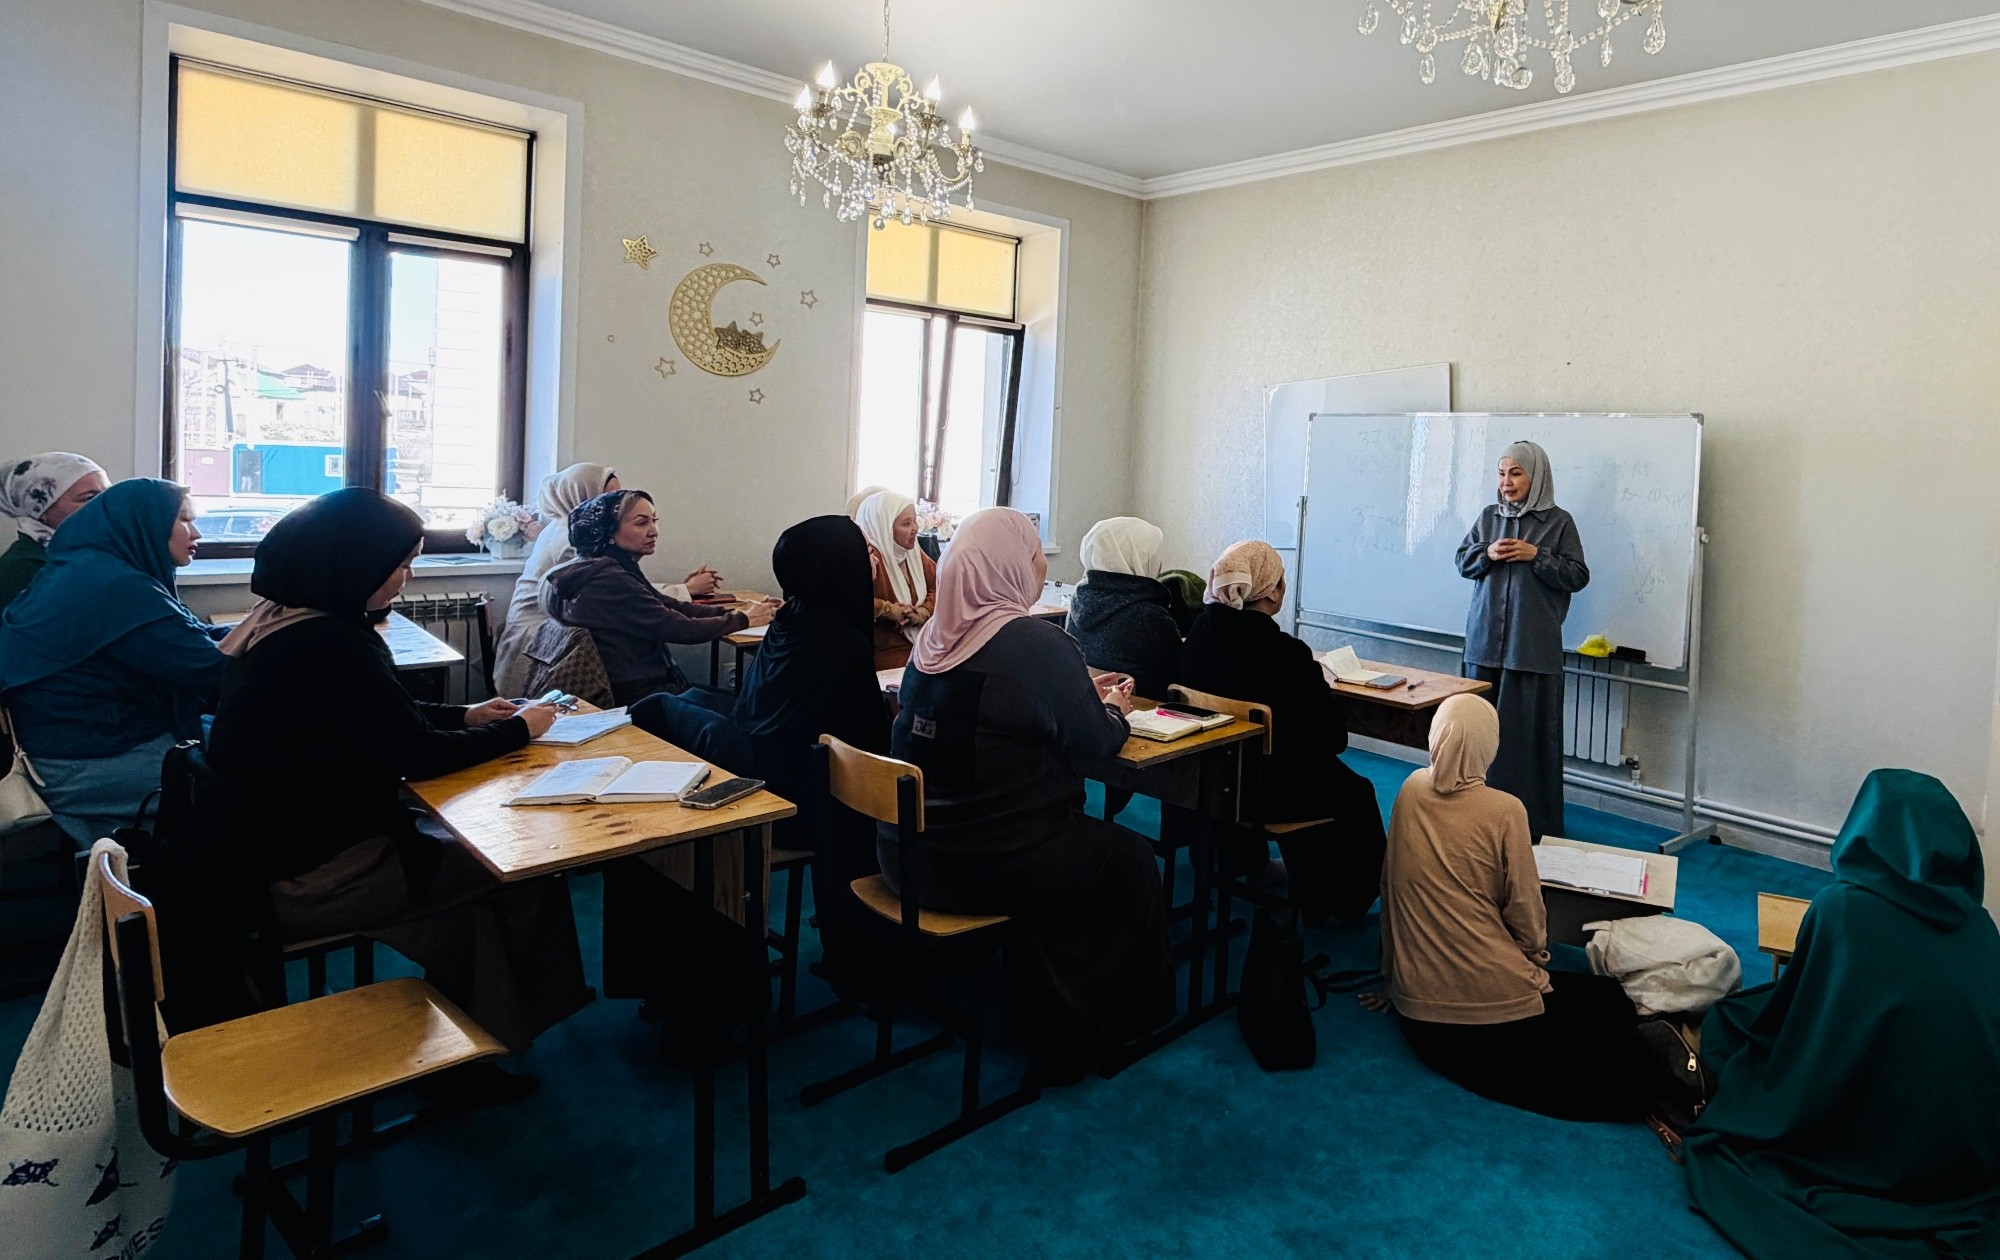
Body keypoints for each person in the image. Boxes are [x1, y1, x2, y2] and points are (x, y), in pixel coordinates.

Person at [204, 488, 589, 1064]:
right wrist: (520, 731)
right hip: (314, 874)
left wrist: (467, 714)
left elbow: (369, 718)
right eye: (402, 563)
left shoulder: (280, 623)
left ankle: (481, 1037)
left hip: (258, 857)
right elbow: (416, 754)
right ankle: (500, 1030)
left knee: (472, 892)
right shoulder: (331, 644)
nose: (408, 576)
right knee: (517, 869)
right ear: (352, 563)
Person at [885, 507, 1174, 1083]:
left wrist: (1071, 692)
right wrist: (1110, 707)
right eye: (1036, 551)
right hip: (991, 860)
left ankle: (1023, 990)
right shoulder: (1036, 644)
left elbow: (993, 714)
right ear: (1010, 565)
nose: (1042, 563)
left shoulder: (931, 640)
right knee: (1130, 859)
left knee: (1084, 849)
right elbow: (1095, 745)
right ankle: (1095, 1026)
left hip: (909, 856)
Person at [1684, 770, 2000, 1258]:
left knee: (1734, 1021)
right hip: (1963, 1145)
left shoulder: (1844, 911)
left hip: (1877, 1127)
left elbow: (1806, 1013)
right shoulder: (1981, 926)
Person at [1372, 693, 1668, 1122]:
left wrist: (1391, 979)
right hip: (1487, 1010)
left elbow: (1391, 884)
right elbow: (1527, 910)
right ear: (1489, 746)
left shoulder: (1409, 789)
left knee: (1594, 1012)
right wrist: (1534, 964)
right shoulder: (1505, 810)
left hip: (1416, 1017)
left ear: (1436, 737)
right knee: (1610, 1006)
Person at [0, 479, 224, 844]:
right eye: (183, 520)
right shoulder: (114, 588)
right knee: (263, 763)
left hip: (73, 743)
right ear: (143, 523)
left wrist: (252, 630)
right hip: (87, 762)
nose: (195, 532)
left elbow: (189, 636)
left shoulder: (88, 569)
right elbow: (211, 668)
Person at [1176, 539, 1387, 923]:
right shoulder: (1285, 652)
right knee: (1357, 793)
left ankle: (1254, 866)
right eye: (1281, 580)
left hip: (1210, 778)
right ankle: (1335, 903)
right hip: (1269, 792)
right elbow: (1331, 737)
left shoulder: (1199, 635)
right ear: (1269, 591)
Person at [733, 515, 892, 1000]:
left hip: (763, 778)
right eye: (862, 551)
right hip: (802, 807)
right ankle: (863, 958)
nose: (873, 560)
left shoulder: (793, 619)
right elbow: (870, 741)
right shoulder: (841, 642)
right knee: (884, 805)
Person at [1456, 440, 1589, 844]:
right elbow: (1463, 561)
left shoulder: (1558, 522)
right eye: (1501, 473)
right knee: (1475, 737)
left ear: (1537, 476)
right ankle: (1472, 820)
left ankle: (1530, 827)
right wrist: (1488, 553)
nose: (1506, 482)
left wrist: (1536, 555)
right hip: (1483, 646)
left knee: (1525, 743)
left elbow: (1577, 576)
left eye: (1516, 473)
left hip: (1530, 650)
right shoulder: (1487, 517)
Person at [492, 463, 722, 697]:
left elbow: (629, 589)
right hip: (550, 657)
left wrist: (683, 591)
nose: (616, 503)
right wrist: (687, 589)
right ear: (583, 496)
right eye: (608, 496)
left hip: (547, 645)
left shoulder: (560, 527)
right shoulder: (573, 540)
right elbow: (623, 593)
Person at [542, 490, 774, 706]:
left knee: (743, 705)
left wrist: (740, 613)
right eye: (642, 523)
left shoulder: (605, 567)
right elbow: (678, 628)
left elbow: (671, 606)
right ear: (609, 532)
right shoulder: (608, 579)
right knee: (749, 711)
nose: (653, 531)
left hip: (641, 685)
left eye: (654, 521)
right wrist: (743, 620)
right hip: (637, 695)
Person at [1065, 516, 1181, 699]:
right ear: (1138, 558)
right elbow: (1179, 676)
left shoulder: (1078, 602)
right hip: (1144, 714)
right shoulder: (1150, 618)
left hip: (1092, 709)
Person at [0, 452, 107, 608]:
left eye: (107, 494)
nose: (105, 504)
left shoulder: (90, 552)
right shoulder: (22, 569)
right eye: (88, 498)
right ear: (42, 511)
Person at [855, 490, 938, 671]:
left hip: (923, 645)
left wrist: (924, 611)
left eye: (915, 521)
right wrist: (889, 610)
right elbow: (851, 599)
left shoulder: (915, 553)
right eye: (906, 524)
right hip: (886, 653)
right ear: (884, 527)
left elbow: (939, 586)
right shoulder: (869, 558)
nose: (915, 528)